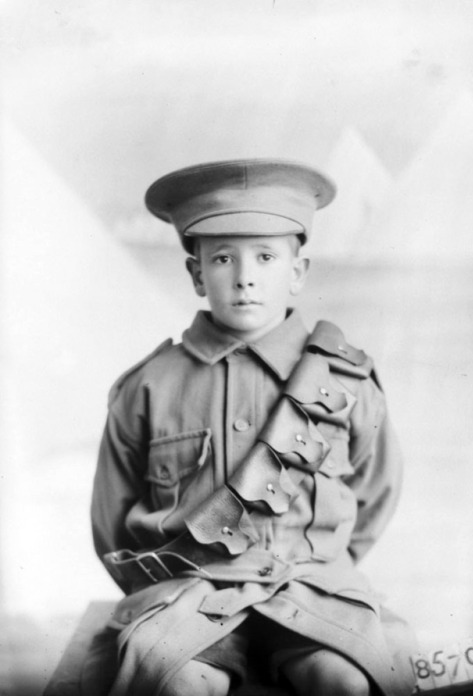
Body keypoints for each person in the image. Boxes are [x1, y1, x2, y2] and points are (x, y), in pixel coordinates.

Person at [89, 159, 416, 696]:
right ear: (197, 274)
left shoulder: (344, 383)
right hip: (189, 593)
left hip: (312, 589)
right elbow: (111, 519)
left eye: (265, 257)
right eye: (222, 258)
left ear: (297, 272)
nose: (245, 276)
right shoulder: (149, 386)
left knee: (347, 685)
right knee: (177, 686)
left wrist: (328, 561)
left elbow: (376, 490)